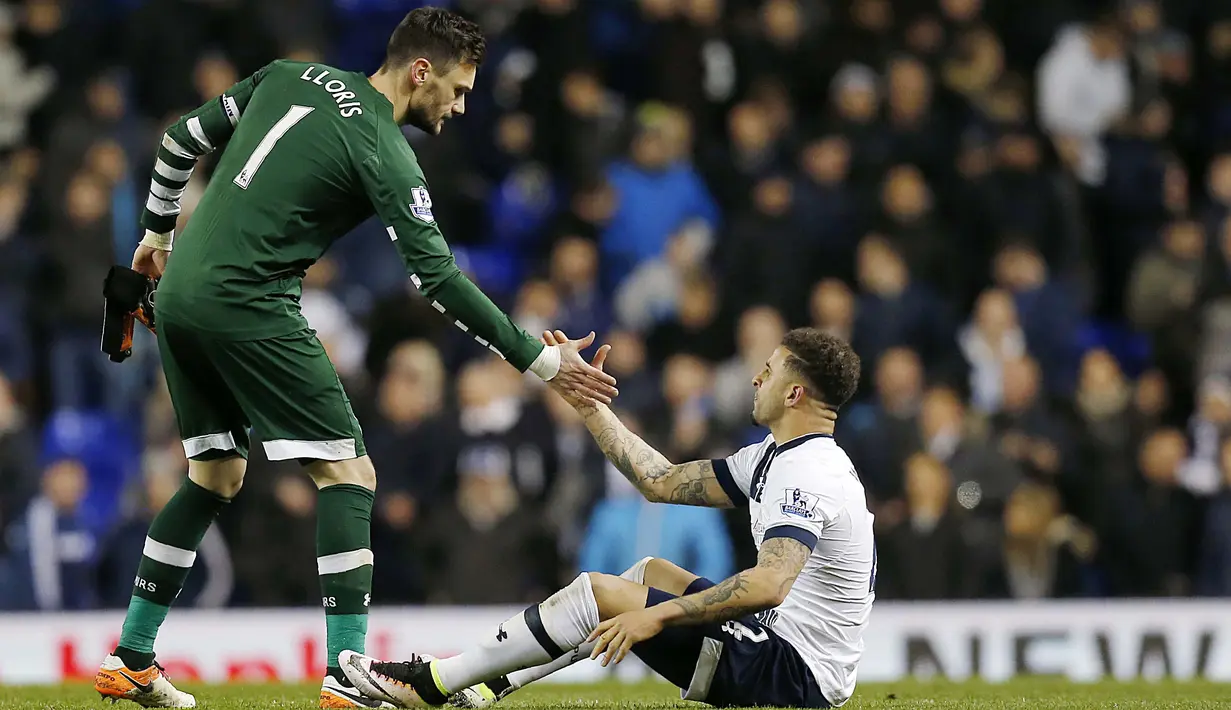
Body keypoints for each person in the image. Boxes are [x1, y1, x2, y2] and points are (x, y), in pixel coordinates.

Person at [91, 8, 618, 710]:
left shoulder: (289, 74)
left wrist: (156, 236)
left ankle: (132, 657)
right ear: (420, 71)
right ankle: (347, 673)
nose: (461, 105)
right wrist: (537, 361)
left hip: (180, 293)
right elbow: (438, 280)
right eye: (457, 89)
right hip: (249, 301)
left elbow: (178, 140)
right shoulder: (383, 146)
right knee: (350, 472)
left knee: (214, 475)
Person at [342, 328, 873, 709]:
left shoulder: (807, 471)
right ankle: (482, 690)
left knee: (601, 592)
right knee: (646, 574)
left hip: (796, 679)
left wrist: (657, 617)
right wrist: (585, 401)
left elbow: (770, 583)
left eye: (770, 370)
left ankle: (434, 682)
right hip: (781, 649)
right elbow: (659, 480)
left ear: (795, 392)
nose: (757, 378)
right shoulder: (775, 456)